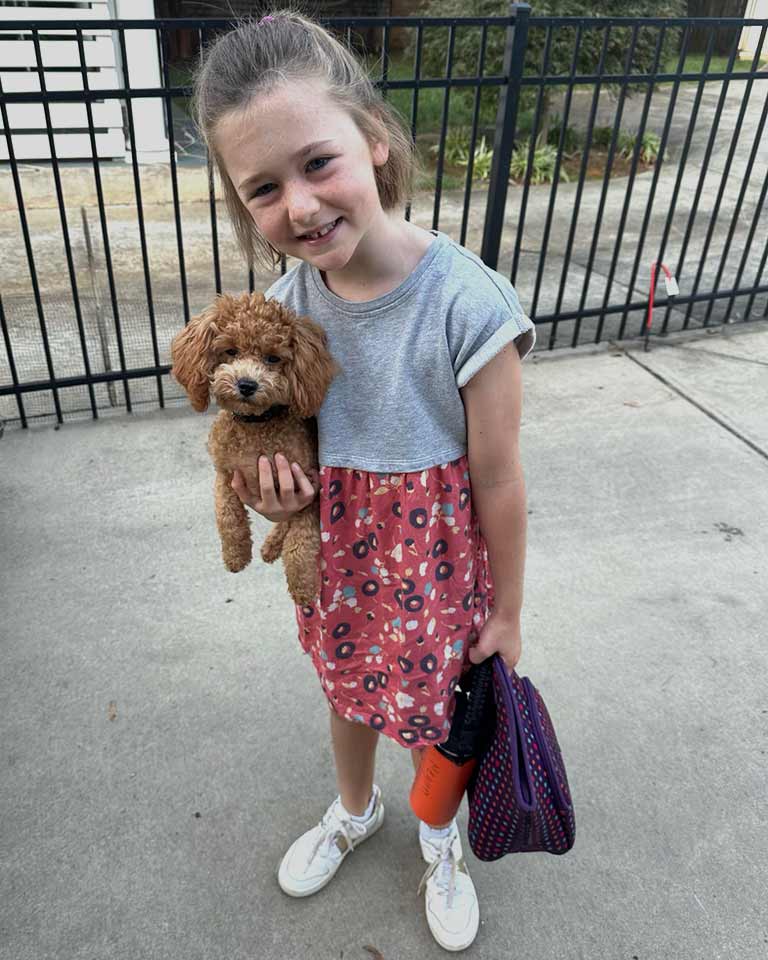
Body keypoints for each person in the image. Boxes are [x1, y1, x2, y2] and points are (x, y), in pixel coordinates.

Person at [192, 8, 535, 952]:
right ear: (241, 204)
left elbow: (501, 480)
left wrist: (506, 611)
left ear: (374, 142)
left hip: (434, 565)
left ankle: (439, 833)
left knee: (435, 712)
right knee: (346, 693)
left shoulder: (467, 302)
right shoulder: (286, 309)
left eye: (316, 162)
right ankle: (356, 811)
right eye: (263, 187)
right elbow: (271, 445)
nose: (298, 205)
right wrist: (269, 498)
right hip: (338, 556)